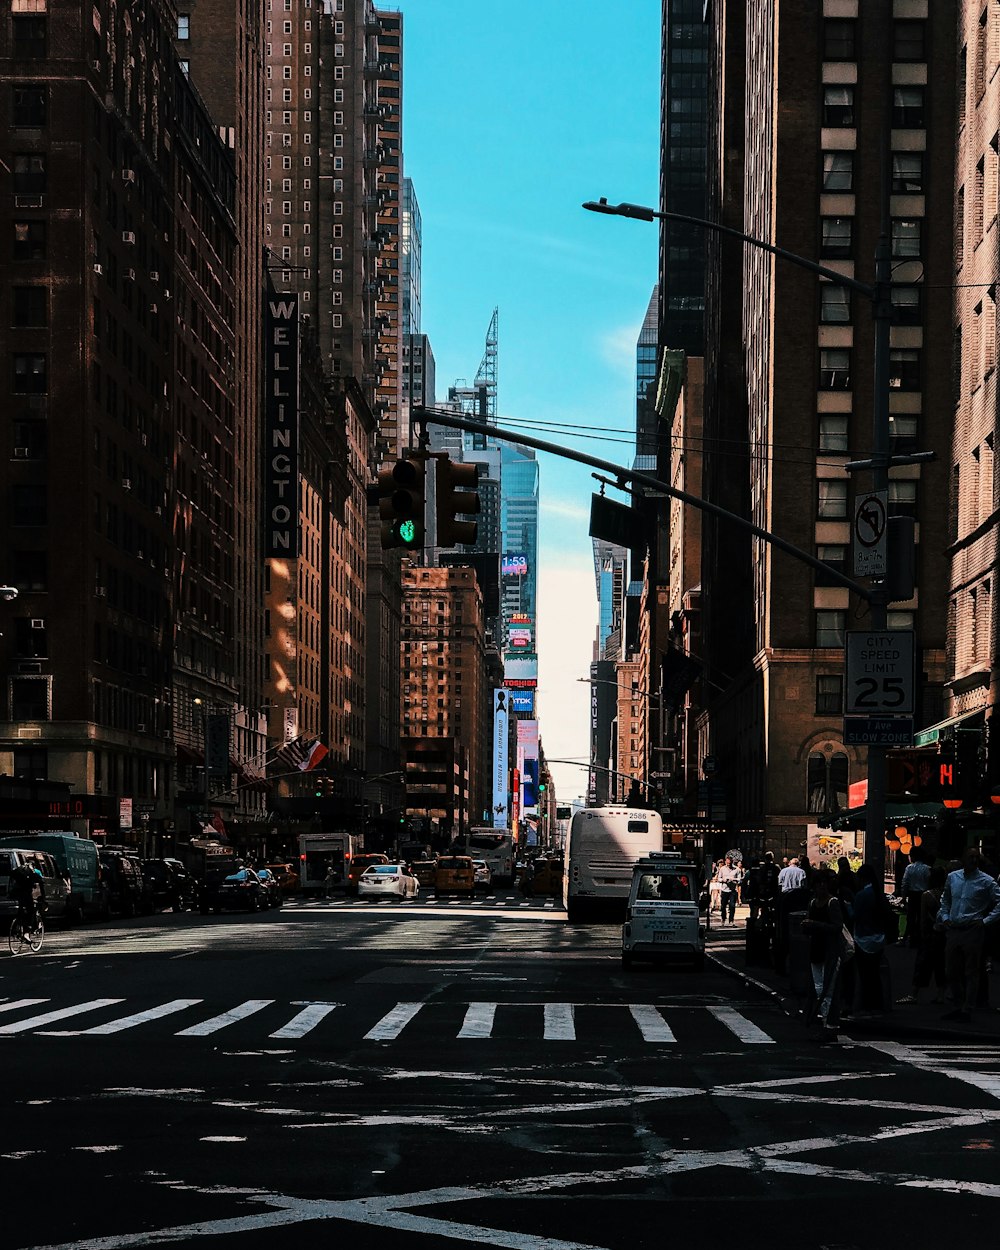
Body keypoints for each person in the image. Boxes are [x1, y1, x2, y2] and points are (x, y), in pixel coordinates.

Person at [936, 848, 1000, 1022]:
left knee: (970, 971)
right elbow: (946, 900)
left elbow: (999, 903)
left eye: (975, 857)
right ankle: (959, 1004)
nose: (973, 860)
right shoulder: (953, 877)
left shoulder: (987, 881)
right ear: (963, 859)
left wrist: (985, 921)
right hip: (955, 928)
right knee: (951, 970)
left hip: (972, 929)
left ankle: (966, 1007)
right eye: (970, 857)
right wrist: (946, 917)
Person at [800, 870, 848, 1043]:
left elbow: (837, 927)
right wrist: (807, 926)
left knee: (829, 989)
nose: (821, 886)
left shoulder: (832, 903)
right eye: (818, 883)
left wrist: (815, 924)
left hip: (831, 951)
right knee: (820, 988)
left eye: (824, 883)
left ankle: (830, 1026)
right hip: (817, 949)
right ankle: (825, 1024)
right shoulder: (813, 903)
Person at [898, 865, 947, 1005]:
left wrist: (921, 934)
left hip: (930, 934)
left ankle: (914, 994)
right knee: (940, 964)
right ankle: (941, 994)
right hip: (943, 933)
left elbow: (923, 918)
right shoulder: (947, 894)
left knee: (922, 965)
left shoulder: (927, 895)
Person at [852, 864, 891, 1013]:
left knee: (865, 975)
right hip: (878, 937)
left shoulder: (862, 895)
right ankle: (878, 1005)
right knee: (875, 974)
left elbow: (855, 916)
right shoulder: (879, 894)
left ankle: (868, 1006)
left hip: (863, 938)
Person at [900, 848, 931, 948]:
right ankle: (921, 939)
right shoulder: (927, 868)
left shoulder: (909, 868)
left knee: (911, 918)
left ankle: (907, 939)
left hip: (913, 895)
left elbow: (905, 883)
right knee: (922, 917)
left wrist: (903, 896)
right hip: (924, 895)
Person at [10, 860, 45, 931]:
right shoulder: (32, 872)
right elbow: (40, 881)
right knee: (31, 909)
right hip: (26, 893)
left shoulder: (20, 869)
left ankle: (18, 925)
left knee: (21, 907)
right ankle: (26, 931)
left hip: (16, 892)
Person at [717, 855, 741, 924]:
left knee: (732, 905)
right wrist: (724, 880)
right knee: (723, 906)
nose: (728, 865)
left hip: (732, 890)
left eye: (730, 863)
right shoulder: (722, 869)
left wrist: (733, 880)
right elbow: (719, 878)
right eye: (727, 863)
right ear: (725, 862)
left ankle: (731, 920)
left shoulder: (737, 870)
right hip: (724, 889)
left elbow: (739, 880)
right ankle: (723, 918)